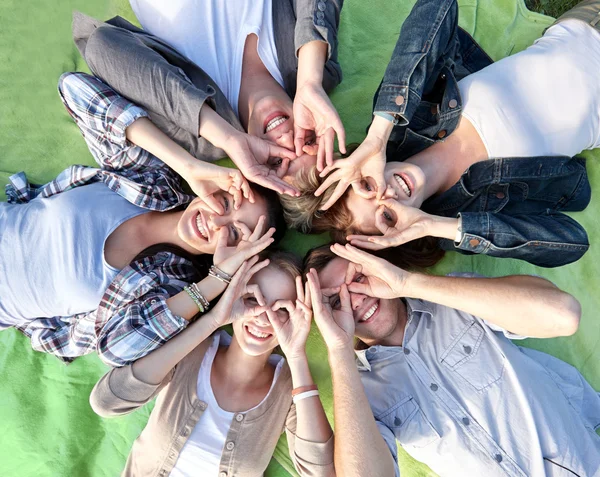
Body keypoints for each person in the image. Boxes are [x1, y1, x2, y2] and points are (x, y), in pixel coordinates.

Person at [0, 72, 284, 366]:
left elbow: (115, 349)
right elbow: (75, 89)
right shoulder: (152, 182)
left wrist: (218, 280)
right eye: (225, 203)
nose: (215, 222)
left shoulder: (173, 290)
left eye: (236, 234)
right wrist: (187, 166)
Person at [287, 0, 599, 268]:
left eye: (369, 185)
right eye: (387, 216)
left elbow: (438, 8)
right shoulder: (470, 216)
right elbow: (571, 241)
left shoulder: (407, 120)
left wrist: (377, 136)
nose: (389, 193)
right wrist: (438, 227)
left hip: (585, 27)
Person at [304, 243, 600, 477]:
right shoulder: (359, 394)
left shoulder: (454, 297)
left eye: (358, 278)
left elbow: (563, 314)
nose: (355, 299)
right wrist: (339, 349)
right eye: (335, 301)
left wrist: (406, 283)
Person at [90, 251, 334, 477]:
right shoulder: (190, 350)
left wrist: (296, 355)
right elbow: (107, 402)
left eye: (281, 309)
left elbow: (320, 472)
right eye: (252, 299)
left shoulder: (291, 391)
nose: (262, 315)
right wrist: (215, 319)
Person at [71, 0, 346, 197]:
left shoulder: (201, 135)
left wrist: (226, 136)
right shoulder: (312, 67)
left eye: (276, 160)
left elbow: (101, 45)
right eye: (307, 140)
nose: (286, 138)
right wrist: (310, 81)